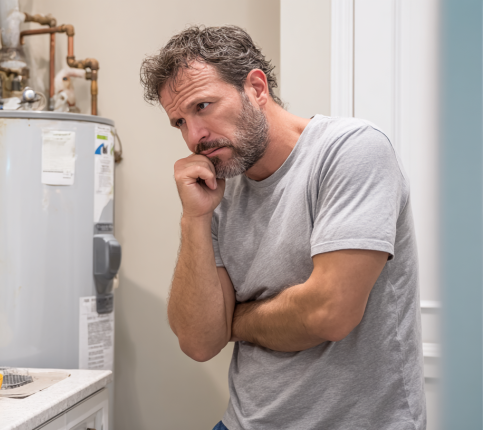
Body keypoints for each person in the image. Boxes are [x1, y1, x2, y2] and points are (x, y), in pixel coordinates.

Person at [140, 25, 426, 430]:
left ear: (256, 87)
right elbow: (201, 342)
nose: (194, 137)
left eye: (203, 106)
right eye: (180, 123)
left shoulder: (351, 151)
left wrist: (235, 321)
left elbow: (329, 314)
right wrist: (195, 218)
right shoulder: (217, 190)